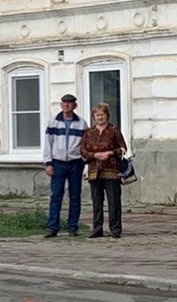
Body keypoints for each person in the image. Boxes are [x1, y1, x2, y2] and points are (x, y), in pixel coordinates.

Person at [79, 104, 128, 239]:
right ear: (94, 117)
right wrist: (94, 155)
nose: (100, 117)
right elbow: (82, 150)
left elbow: (123, 148)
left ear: (107, 116)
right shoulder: (89, 132)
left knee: (114, 201)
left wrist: (110, 153)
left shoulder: (114, 130)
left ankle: (115, 228)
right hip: (94, 170)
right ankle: (97, 228)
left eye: (102, 115)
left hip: (111, 170)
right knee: (97, 202)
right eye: (97, 115)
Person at [43, 93, 87, 237]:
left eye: (69, 103)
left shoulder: (81, 123)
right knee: (56, 195)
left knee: (75, 196)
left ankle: (72, 227)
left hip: (75, 163)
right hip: (58, 162)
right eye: (64, 103)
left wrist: (85, 161)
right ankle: (52, 227)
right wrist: (48, 163)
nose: (66, 105)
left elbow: (85, 145)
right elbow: (48, 144)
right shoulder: (53, 122)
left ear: (74, 105)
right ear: (61, 105)